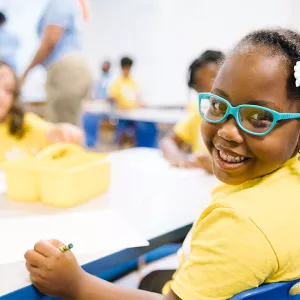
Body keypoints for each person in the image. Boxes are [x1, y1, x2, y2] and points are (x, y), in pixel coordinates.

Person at [25, 28, 300, 299]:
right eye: (218, 105)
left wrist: (77, 285)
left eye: (259, 118)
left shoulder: (240, 225)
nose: (227, 131)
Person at [21, 0, 92, 125]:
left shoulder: (60, 2)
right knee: (70, 125)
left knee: (62, 129)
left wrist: (26, 72)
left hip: (66, 70)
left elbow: (50, 41)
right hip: (75, 68)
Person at [0, 61, 82, 162]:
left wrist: (62, 132)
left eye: (8, 90)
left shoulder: (24, 123)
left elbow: (51, 132)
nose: (1, 96)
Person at [161, 50, 225, 173]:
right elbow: (168, 141)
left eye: (215, 78)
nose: (211, 89)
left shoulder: (241, 116)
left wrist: (217, 166)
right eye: (201, 87)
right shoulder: (198, 112)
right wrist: (177, 156)